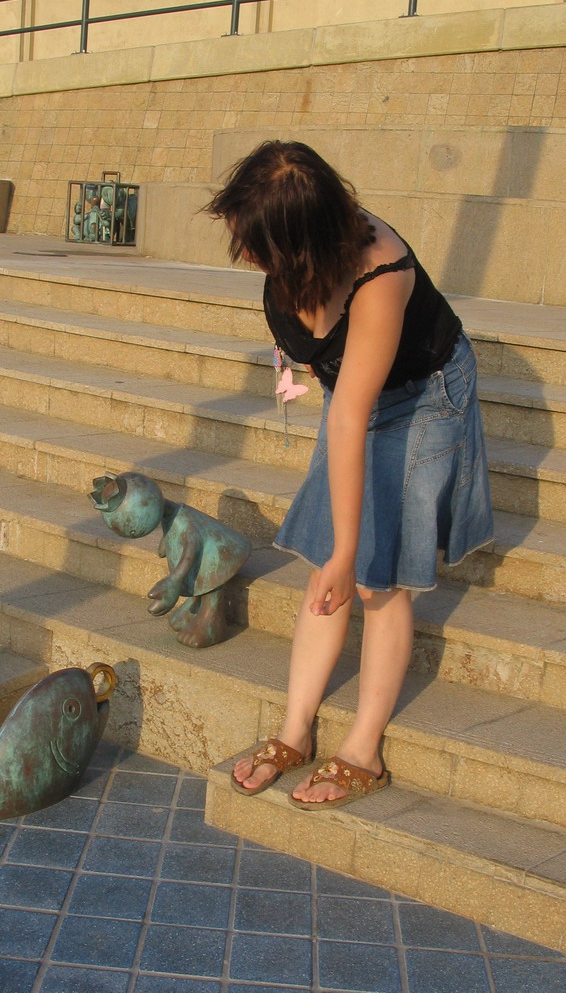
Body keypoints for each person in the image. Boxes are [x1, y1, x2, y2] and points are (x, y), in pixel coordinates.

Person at [205, 140, 493, 809]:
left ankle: (363, 747)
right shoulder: (294, 255)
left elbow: (353, 414)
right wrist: (333, 550)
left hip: (424, 397)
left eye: (255, 242)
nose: (243, 253)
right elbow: (332, 383)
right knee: (325, 567)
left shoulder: (379, 272)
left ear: (299, 240)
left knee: (373, 575)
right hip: (356, 392)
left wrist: (347, 551)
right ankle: (294, 730)